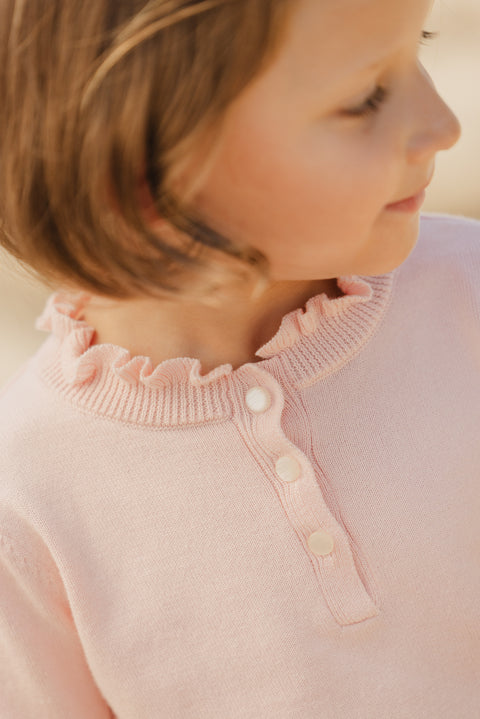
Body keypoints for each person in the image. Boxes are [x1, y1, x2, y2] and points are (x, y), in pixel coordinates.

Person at [0, 0, 478, 716]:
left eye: (422, 45)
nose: (443, 124)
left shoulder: (467, 294)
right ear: (147, 175)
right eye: (366, 97)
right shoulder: (27, 498)